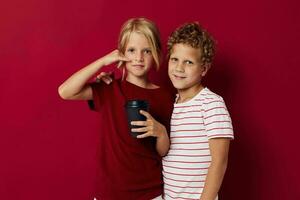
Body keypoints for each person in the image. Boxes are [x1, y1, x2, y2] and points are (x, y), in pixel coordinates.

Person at [58, 18, 174, 200]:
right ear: (121, 53)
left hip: (149, 192)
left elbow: (163, 151)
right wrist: (102, 61)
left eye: (147, 51)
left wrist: (161, 132)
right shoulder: (109, 88)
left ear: (157, 54)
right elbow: (65, 91)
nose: (138, 58)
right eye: (131, 50)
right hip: (109, 192)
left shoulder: (165, 97)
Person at [162, 22, 234, 200]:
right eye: (174, 59)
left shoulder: (211, 104)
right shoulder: (171, 104)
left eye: (189, 62)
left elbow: (219, 161)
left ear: (204, 68)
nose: (179, 68)